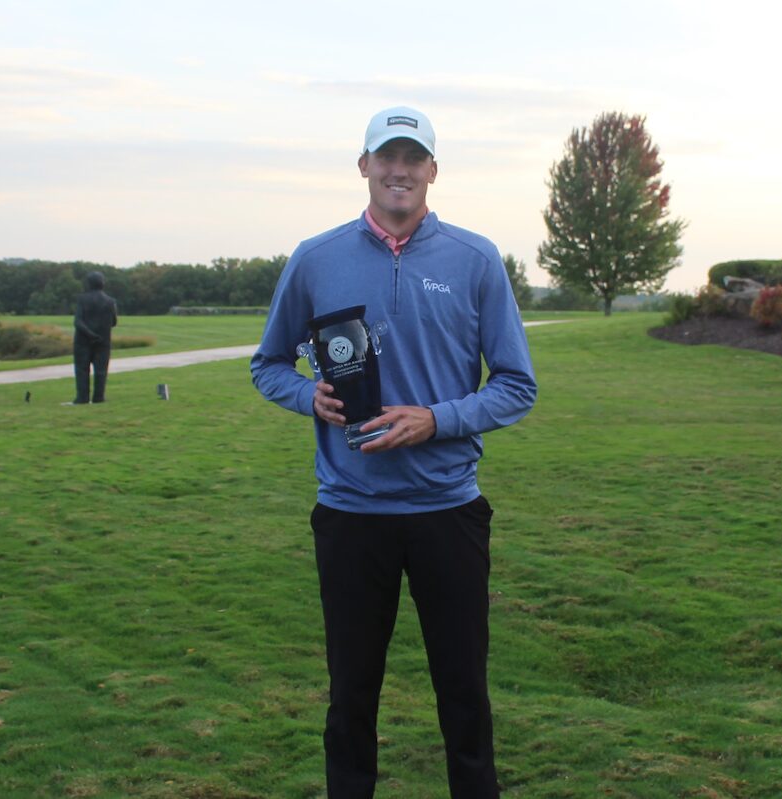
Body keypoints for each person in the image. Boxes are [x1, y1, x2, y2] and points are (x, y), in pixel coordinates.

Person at [250, 106, 537, 798]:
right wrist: (306, 396)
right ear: (364, 166)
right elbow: (269, 364)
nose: (399, 170)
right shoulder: (316, 258)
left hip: (448, 510)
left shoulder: (475, 260)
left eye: (413, 158)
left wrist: (434, 420)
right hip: (351, 511)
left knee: (464, 693)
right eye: (387, 157)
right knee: (352, 694)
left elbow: (517, 386)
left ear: (433, 170)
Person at [71, 270, 118, 404]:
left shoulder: (82, 299)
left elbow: (78, 322)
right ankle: (99, 397)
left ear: (89, 284)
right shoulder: (110, 301)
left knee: (82, 370)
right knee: (101, 371)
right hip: (103, 341)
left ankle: (82, 397)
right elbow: (114, 322)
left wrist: (90, 334)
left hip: (83, 340)